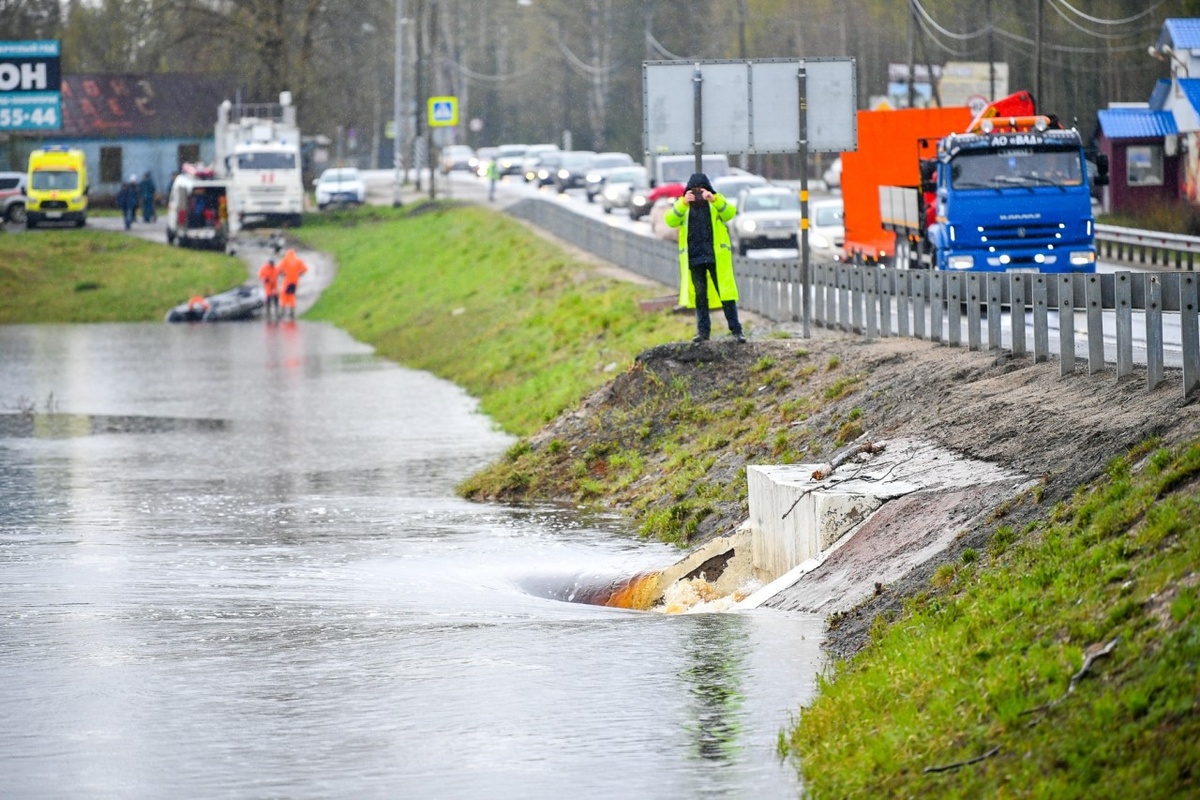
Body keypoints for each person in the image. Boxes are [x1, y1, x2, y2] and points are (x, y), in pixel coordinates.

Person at [665, 172, 745, 343]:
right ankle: (703, 333)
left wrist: (714, 199)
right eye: (694, 190)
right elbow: (670, 220)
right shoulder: (684, 206)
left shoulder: (714, 203)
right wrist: (683, 203)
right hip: (694, 258)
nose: (698, 194)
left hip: (716, 257)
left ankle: (737, 331)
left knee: (726, 295)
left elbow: (730, 213)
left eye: (701, 190)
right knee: (700, 296)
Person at [276, 248, 308, 320]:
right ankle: (292, 312)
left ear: (287, 254)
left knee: (284, 295)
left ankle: (282, 312)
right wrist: (300, 274)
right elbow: (305, 269)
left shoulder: (285, 260)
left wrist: (282, 274)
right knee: (292, 296)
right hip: (295, 282)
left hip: (287, 281)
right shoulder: (298, 260)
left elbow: (278, 268)